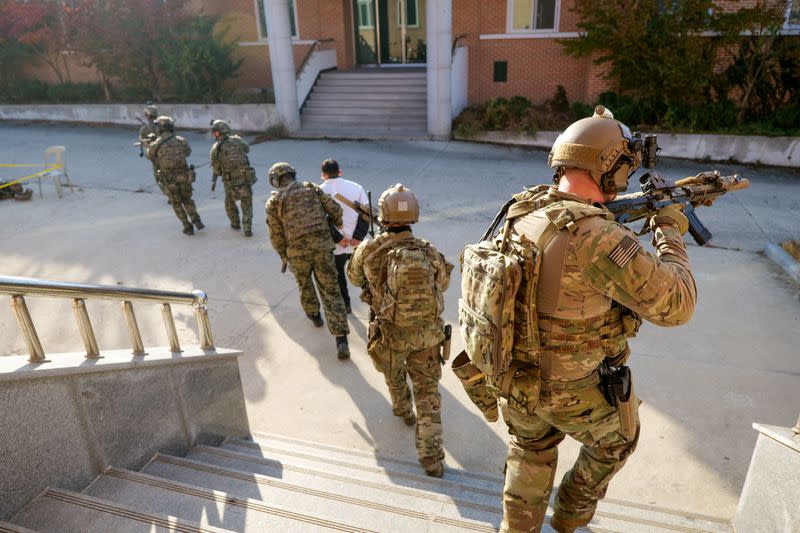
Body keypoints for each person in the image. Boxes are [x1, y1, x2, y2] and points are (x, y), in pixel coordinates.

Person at [486, 106, 696, 533]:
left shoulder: (521, 209)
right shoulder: (597, 235)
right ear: (609, 167)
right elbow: (677, 305)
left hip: (514, 375)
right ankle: (569, 518)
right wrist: (670, 231)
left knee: (530, 448)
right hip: (571, 390)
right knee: (620, 437)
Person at [347, 184, 453, 478]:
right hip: (427, 336)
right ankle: (432, 460)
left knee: (394, 375)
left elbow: (354, 278)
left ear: (383, 215)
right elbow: (442, 284)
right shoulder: (427, 250)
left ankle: (403, 410)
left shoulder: (370, 249)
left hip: (390, 333)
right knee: (429, 396)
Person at [266, 162, 351, 359]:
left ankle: (314, 315)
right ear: (292, 174)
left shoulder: (274, 203)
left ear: (276, 180)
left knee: (305, 285)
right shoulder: (311, 188)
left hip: (297, 254)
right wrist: (336, 224)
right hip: (322, 249)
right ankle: (341, 339)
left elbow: (276, 236)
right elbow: (335, 210)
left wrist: (284, 256)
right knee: (331, 291)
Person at [318, 159, 369, 313]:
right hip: (356, 245)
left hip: (336, 246)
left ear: (323, 175)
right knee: (365, 276)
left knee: (339, 276)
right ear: (340, 172)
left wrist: (339, 238)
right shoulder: (356, 187)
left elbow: (321, 220)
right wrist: (358, 236)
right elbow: (366, 214)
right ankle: (375, 304)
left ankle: (346, 306)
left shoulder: (318, 191)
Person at [146, 116, 204, 236]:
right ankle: (196, 220)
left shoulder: (156, 144)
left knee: (177, 203)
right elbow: (188, 152)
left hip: (169, 179)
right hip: (184, 176)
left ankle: (187, 226)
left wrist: (151, 144)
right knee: (187, 200)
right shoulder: (181, 140)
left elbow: (150, 156)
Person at [210, 119, 256, 237]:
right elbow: (247, 149)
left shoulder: (215, 148)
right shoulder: (237, 140)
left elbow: (217, 170)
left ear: (217, 133)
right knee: (247, 203)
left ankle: (235, 223)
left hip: (230, 182)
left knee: (229, 203)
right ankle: (247, 228)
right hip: (245, 178)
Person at [138, 103, 168, 198]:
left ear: (146, 115)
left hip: (154, 155)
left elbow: (141, 142)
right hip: (167, 152)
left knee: (158, 175)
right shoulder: (163, 125)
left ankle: (169, 194)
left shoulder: (143, 128)